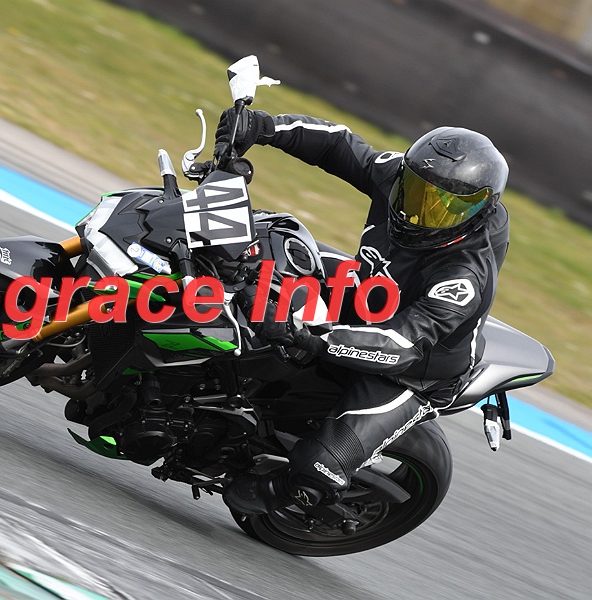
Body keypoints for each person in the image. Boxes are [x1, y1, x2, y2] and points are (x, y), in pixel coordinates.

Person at [215, 109, 511, 513]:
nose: (419, 211)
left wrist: (306, 335)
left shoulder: (463, 277)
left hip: (411, 372)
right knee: (269, 242)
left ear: (478, 213)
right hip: (364, 296)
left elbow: (400, 345)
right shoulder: (399, 178)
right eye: (416, 192)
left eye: (442, 208)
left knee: (318, 465)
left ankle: (292, 492)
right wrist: (263, 127)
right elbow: (339, 144)